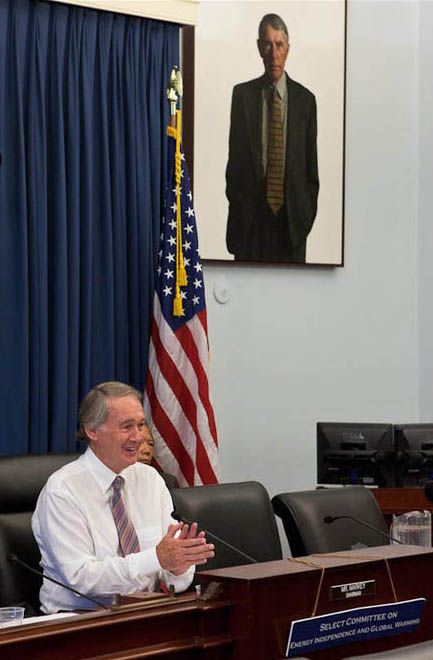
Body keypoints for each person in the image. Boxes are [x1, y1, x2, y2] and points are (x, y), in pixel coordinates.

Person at [32, 382, 214, 613]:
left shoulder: (151, 480)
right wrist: (156, 558)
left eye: (140, 425)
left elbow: (171, 576)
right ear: (92, 430)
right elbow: (81, 578)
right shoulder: (63, 491)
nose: (138, 437)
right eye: (127, 427)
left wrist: (178, 566)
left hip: (147, 612)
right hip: (78, 621)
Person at [225, 13, 319, 263]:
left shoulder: (306, 102)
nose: (273, 53)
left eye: (279, 45)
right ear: (259, 47)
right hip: (250, 224)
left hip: (291, 226)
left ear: (288, 49)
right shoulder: (242, 96)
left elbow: (312, 172)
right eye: (267, 44)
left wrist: (303, 220)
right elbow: (233, 165)